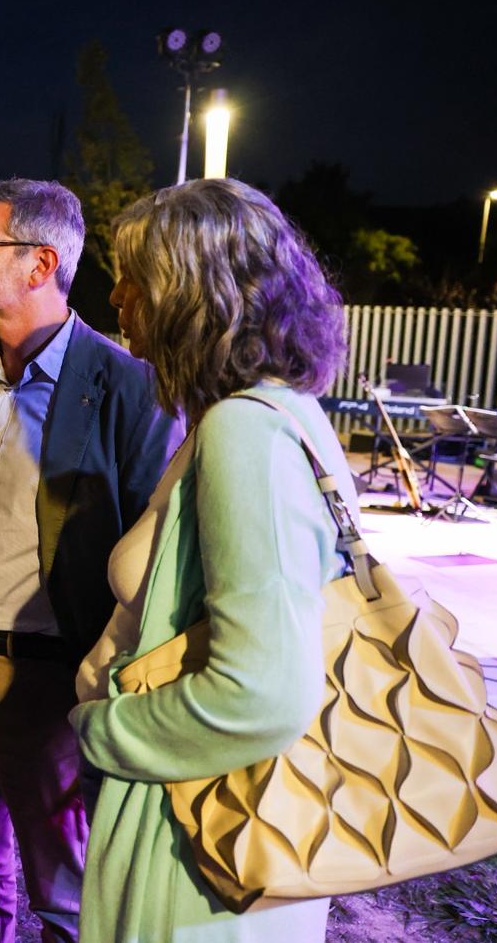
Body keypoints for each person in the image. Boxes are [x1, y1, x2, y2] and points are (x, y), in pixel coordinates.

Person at [0, 178, 182, 941]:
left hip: (47, 687)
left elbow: (158, 564)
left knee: (66, 896)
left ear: (40, 262)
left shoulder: (130, 388)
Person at [69, 178, 350, 941]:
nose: (117, 293)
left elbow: (261, 692)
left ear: (194, 292)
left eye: (137, 276)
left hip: (200, 848)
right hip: (201, 811)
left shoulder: (245, 434)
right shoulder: (273, 415)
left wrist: (103, 732)